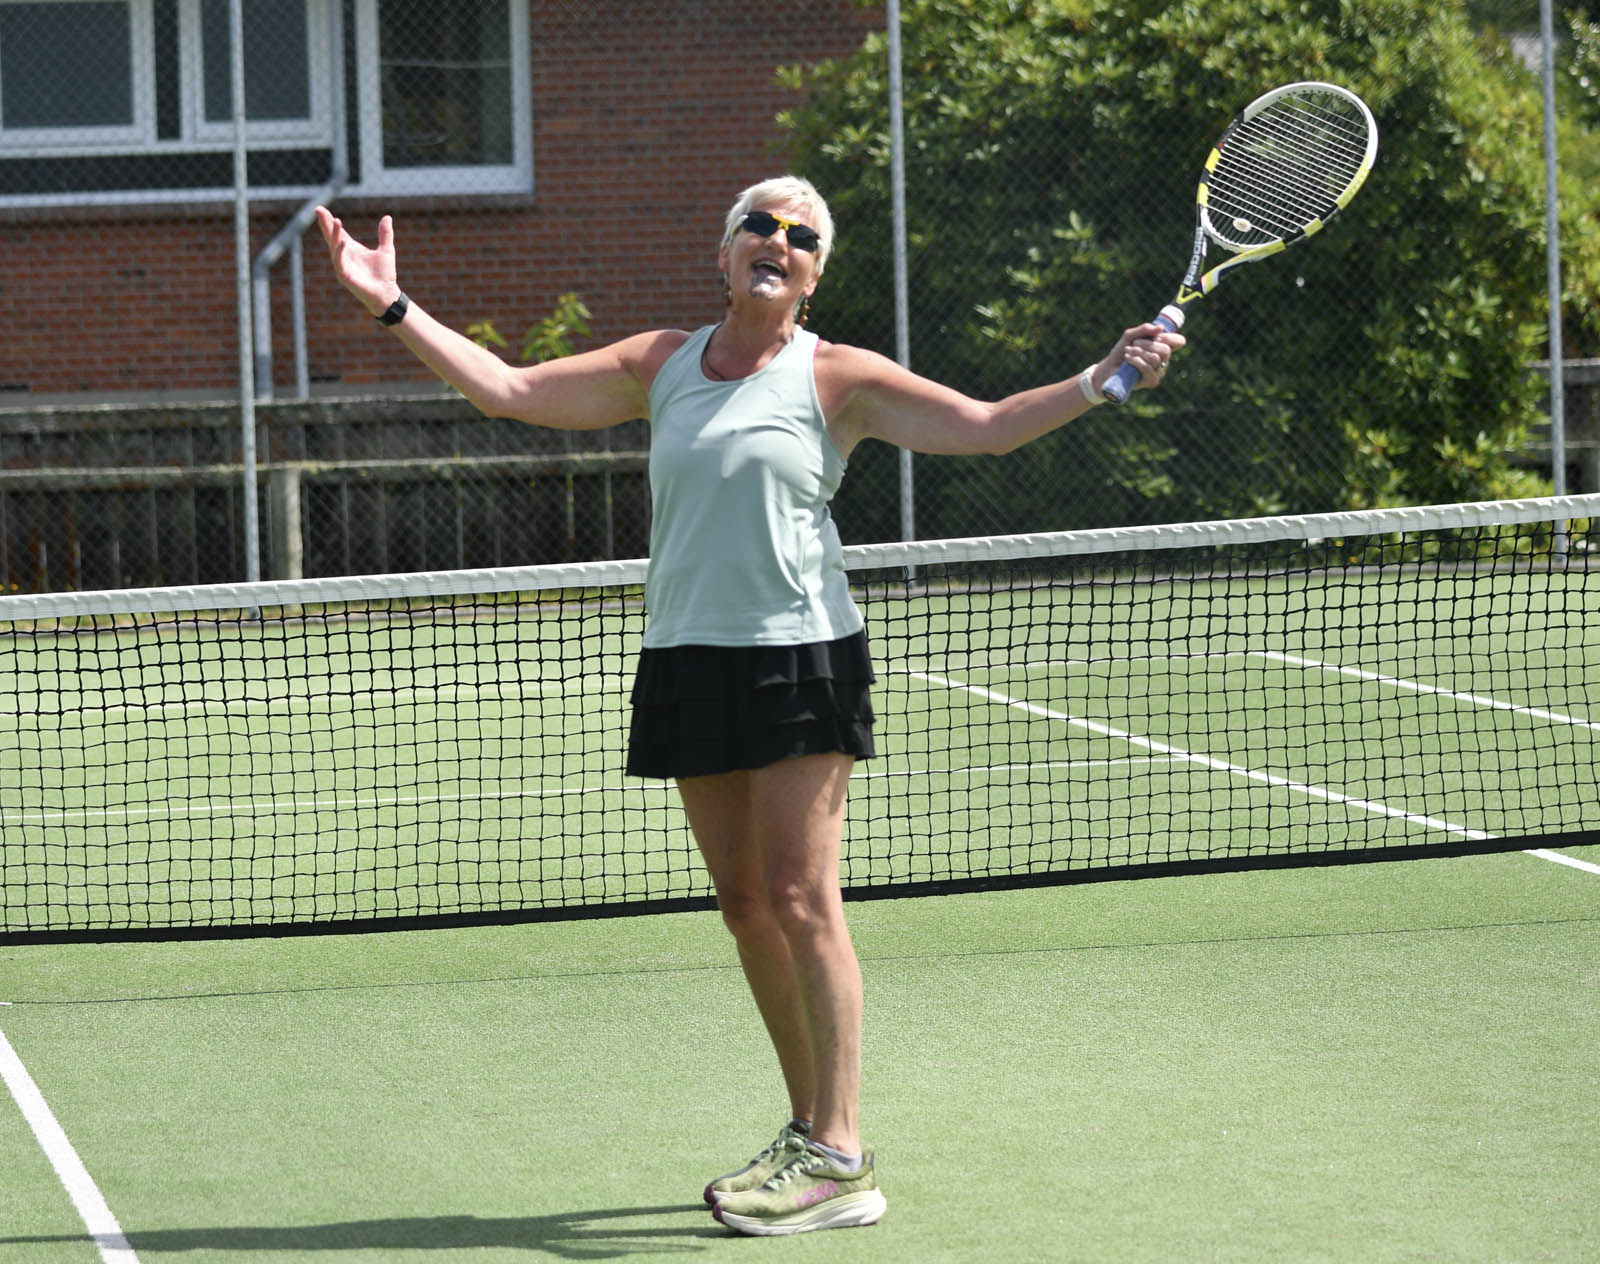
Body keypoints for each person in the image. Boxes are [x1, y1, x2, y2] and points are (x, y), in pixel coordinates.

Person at [315, 175, 1182, 1236]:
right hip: (688, 657)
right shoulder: (659, 365)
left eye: (800, 235)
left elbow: (989, 425)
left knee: (801, 895)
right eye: (759, 226)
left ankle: (843, 1156)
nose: (778, 240)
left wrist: (1099, 378)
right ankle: (809, 1129)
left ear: (813, 275)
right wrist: (390, 305)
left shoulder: (839, 377)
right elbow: (508, 388)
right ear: (723, 254)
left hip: (799, 656)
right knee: (743, 907)